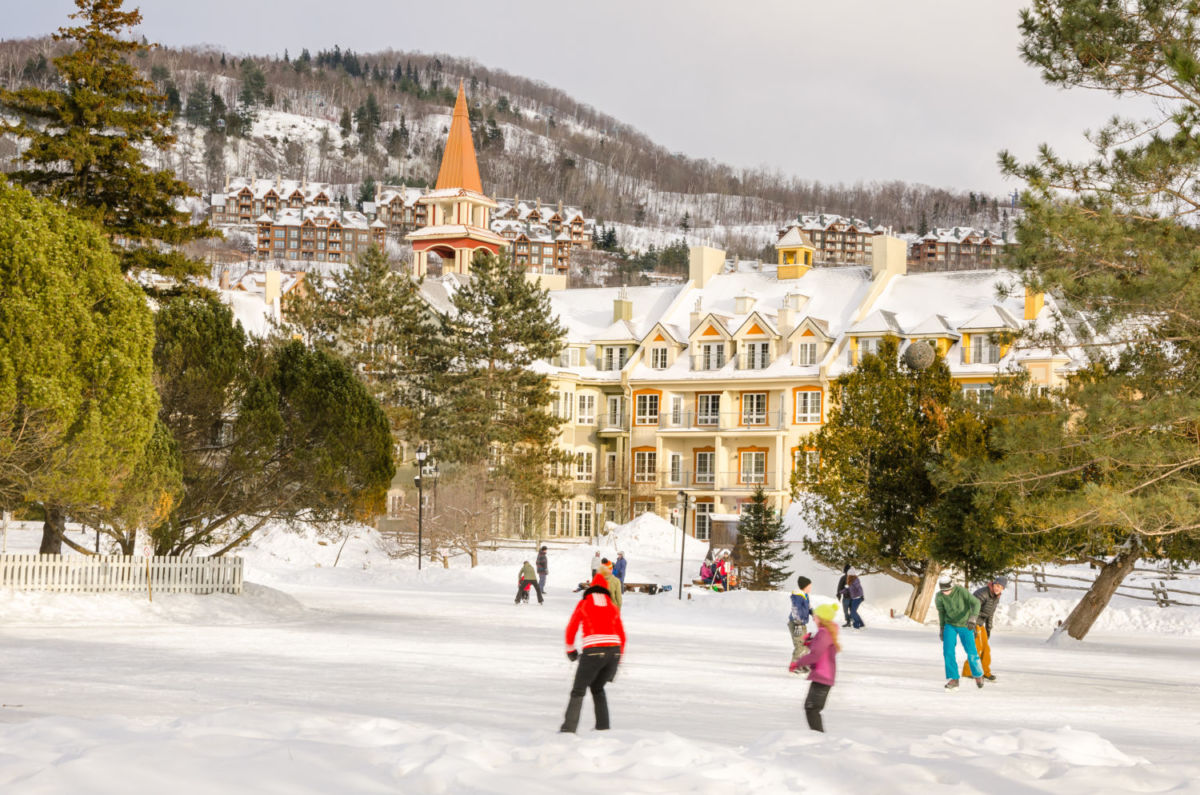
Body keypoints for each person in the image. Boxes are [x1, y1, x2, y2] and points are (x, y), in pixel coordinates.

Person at [561, 571, 626, 732]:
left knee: (578, 690)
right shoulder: (612, 607)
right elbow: (622, 635)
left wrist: (570, 650)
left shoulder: (584, 603)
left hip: (593, 651)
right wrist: (617, 661)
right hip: (614, 652)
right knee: (597, 687)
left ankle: (568, 730)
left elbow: (572, 627)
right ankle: (603, 728)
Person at [789, 602, 840, 732]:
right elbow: (820, 650)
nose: (813, 618)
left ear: (822, 618)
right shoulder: (825, 632)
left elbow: (816, 655)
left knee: (812, 708)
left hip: (823, 676)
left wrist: (797, 663)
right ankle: (818, 737)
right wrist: (809, 642)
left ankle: (819, 738)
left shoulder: (824, 633)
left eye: (815, 616)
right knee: (811, 708)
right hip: (823, 675)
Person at [936, 576, 983, 690]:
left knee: (971, 651)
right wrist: (942, 628)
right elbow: (941, 612)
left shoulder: (961, 591)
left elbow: (976, 603)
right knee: (948, 652)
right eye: (943, 591)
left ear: (952, 587)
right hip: (950, 625)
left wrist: (973, 618)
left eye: (947, 590)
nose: (945, 592)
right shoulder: (939, 596)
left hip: (965, 624)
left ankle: (978, 674)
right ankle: (954, 678)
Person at [963, 575, 1006, 682]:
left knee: (986, 648)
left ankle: (985, 672)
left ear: (1003, 589)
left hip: (981, 622)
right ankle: (967, 671)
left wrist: (988, 629)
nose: (998, 588)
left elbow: (990, 614)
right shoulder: (982, 593)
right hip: (972, 621)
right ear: (993, 584)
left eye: (1000, 587)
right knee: (976, 647)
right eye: (997, 585)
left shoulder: (996, 597)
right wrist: (972, 626)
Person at [788, 576, 814, 668]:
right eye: (809, 586)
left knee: (805, 645)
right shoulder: (798, 596)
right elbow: (795, 609)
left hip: (801, 624)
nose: (810, 588)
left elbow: (809, 607)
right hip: (796, 623)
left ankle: (802, 664)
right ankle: (794, 666)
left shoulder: (805, 596)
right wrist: (798, 623)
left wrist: (814, 614)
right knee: (800, 645)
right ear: (804, 586)